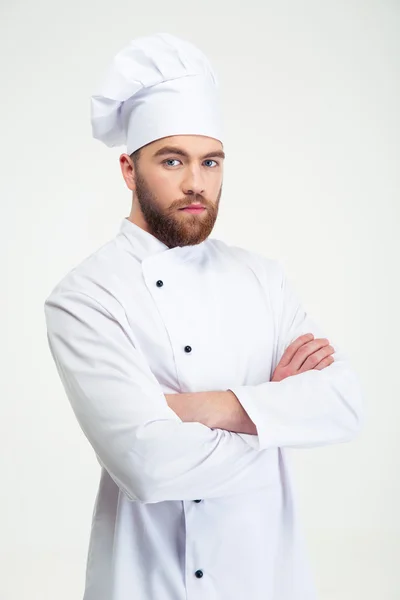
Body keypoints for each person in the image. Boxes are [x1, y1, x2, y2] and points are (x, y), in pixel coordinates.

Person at [44, 32, 364, 600]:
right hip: (146, 583)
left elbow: (344, 404)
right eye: (173, 161)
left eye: (210, 162)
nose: (196, 183)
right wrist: (275, 415)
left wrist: (200, 409)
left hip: (266, 579)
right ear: (127, 168)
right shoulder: (85, 297)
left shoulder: (263, 277)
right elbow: (148, 465)